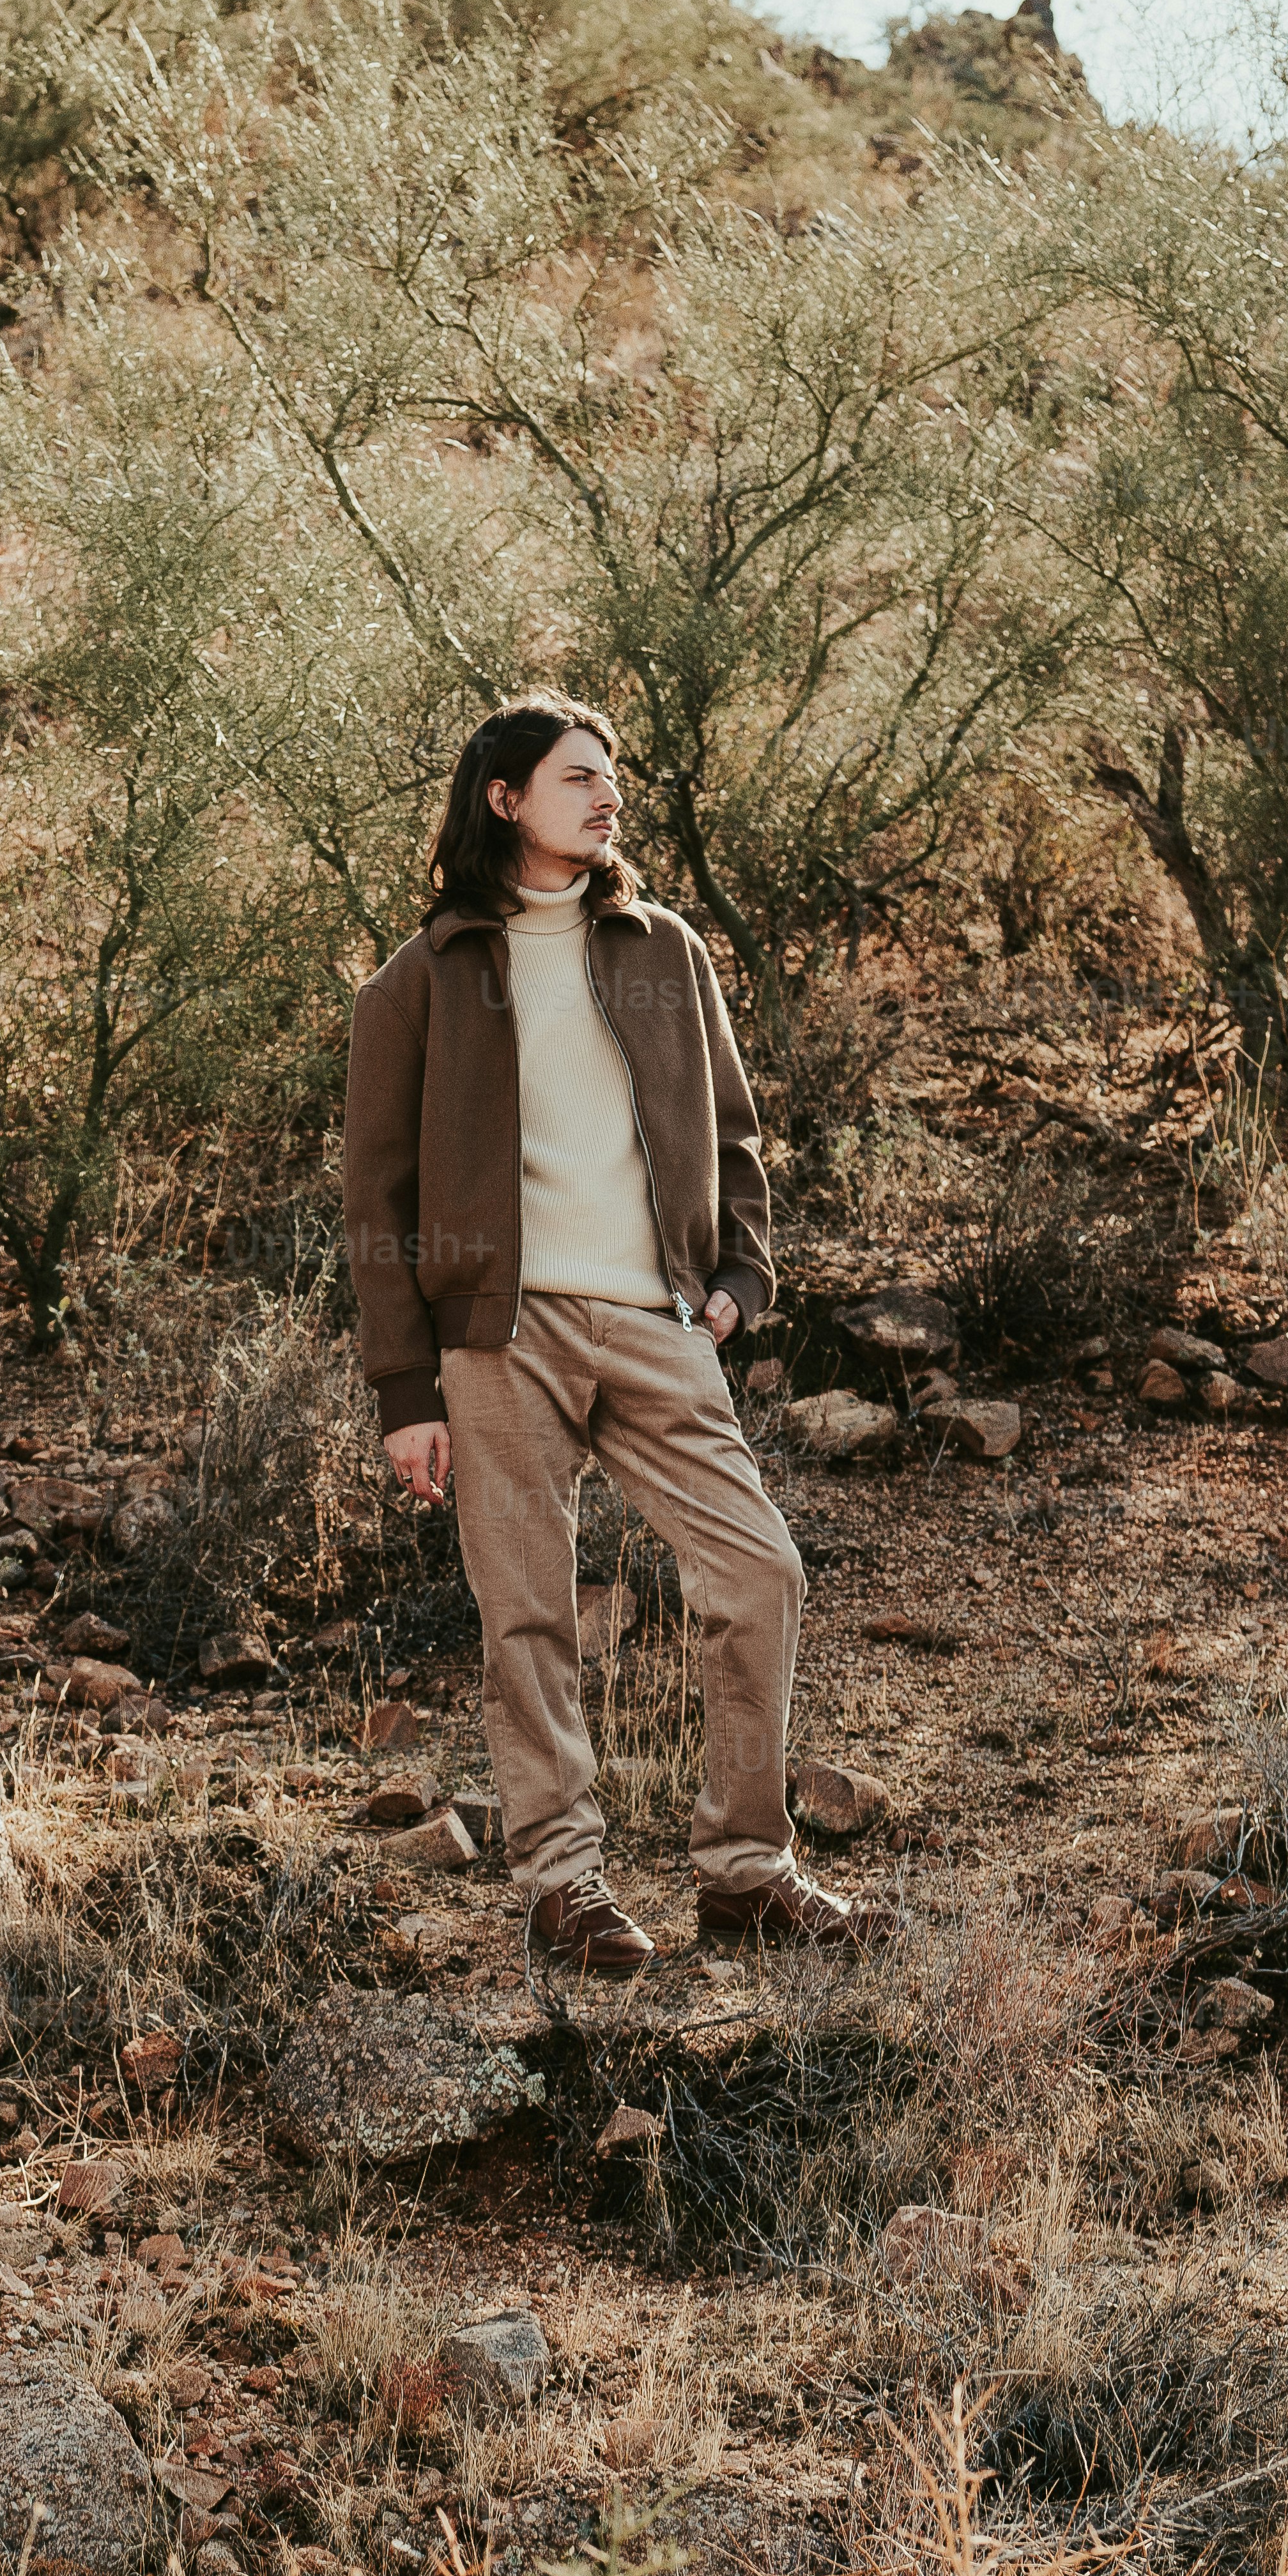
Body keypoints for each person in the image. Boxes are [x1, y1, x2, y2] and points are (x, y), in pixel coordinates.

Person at [340, 694, 884, 1974]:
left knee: (760, 1575)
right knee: (529, 1616)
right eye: (580, 777)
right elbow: (377, 1202)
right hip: (498, 1340)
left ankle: (746, 1871)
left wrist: (742, 1278)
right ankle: (563, 1887)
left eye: (615, 781)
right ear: (505, 797)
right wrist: (403, 1388)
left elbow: (736, 1133)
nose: (607, 798)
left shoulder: (663, 950)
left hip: (655, 1321)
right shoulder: (417, 985)